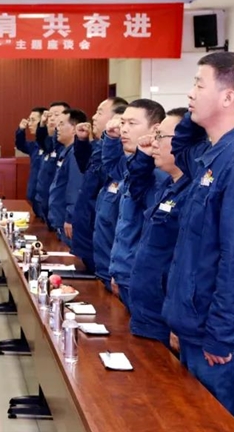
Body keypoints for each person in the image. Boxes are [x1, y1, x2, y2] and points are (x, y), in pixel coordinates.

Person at [163, 52, 234, 426]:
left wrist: (221, 336)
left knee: (225, 424)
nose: (190, 93)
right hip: (197, 328)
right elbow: (181, 147)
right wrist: (194, 118)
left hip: (219, 343)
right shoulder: (215, 153)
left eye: (199, 84)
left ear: (228, 97)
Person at [127, 107, 198, 349]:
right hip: (146, 309)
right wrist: (143, 159)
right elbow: (137, 190)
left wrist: (179, 319)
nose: (154, 143)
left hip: (165, 315)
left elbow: (188, 263)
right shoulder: (168, 186)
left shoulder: (192, 194)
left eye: (161, 137)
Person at [107, 99, 167, 308]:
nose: (124, 129)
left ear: (155, 130)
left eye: (132, 124)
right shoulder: (134, 166)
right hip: (123, 274)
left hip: (140, 280)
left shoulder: (159, 175)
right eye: (123, 123)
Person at [70, 98, 128, 273]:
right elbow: (87, 170)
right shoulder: (99, 145)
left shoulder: (120, 152)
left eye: (100, 112)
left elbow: (106, 174)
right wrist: (82, 143)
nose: (93, 117)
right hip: (88, 233)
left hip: (98, 233)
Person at [91, 105, 129, 290]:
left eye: (130, 123)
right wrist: (109, 139)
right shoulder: (116, 170)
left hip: (120, 273)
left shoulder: (146, 174)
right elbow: (105, 164)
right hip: (104, 264)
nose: (123, 130)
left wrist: (119, 272)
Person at [46, 108, 88, 247]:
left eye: (62, 124)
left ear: (74, 129)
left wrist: (70, 217)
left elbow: (75, 187)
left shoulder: (76, 154)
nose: (57, 128)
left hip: (68, 222)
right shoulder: (66, 151)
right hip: (60, 219)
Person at [34, 102, 69, 226]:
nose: (52, 118)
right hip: (45, 203)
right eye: (50, 115)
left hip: (60, 209)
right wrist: (42, 125)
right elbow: (41, 142)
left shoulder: (66, 147)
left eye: (56, 115)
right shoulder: (51, 144)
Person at [15, 107, 46, 215]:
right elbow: (20, 144)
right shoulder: (35, 146)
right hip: (33, 197)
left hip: (44, 198)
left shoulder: (49, 146)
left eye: (33, 120)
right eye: (29, 120)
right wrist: (21, 130)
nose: (29, 124)